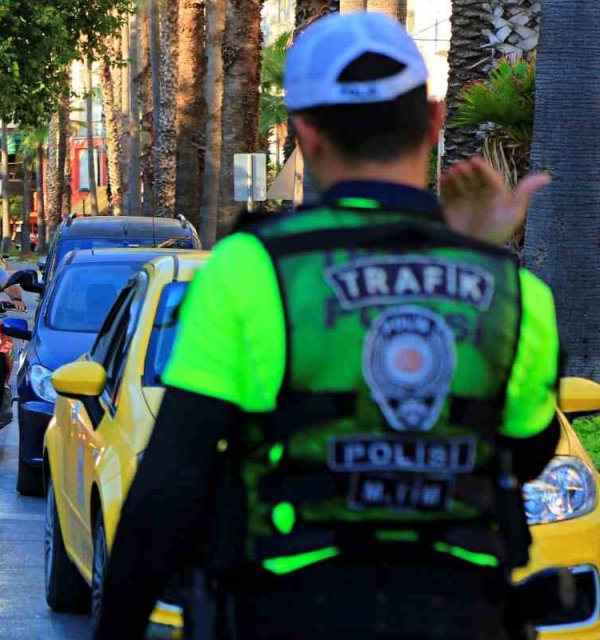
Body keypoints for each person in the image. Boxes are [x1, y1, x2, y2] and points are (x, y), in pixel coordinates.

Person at [94, 13, 561, 640]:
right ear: (434, 121)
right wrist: (465, 252)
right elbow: (527, 451)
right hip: (465, 614)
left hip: (288, 610)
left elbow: (174, 479)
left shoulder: (251, 269)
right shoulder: (513, 292)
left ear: (305, 135)